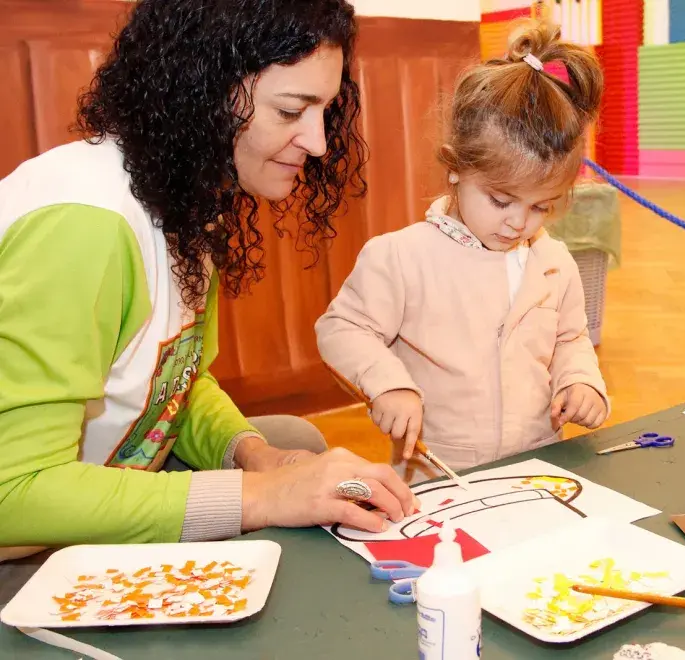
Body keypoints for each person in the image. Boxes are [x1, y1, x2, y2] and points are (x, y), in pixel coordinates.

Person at [0, 0, 417, 560]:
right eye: (292, 111)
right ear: (198, 95)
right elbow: (13, 495)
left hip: (109, 476)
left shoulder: (186, 202)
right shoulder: (84, 227)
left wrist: (252, 454)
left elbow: (176, 385)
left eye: (325, 111)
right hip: (26, 539)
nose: (318, 143)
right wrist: (263, 495)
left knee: (290, 443)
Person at [316, 21, 610, 483]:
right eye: (500, 200)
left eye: (541, 206)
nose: (518, 222)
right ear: (455, 168)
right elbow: (342, 329)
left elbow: (569, 339)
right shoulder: (401, 257)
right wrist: (388, 384)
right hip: (438, 474)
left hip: (538, 465)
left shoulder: (554, 262)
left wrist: (580, 381)